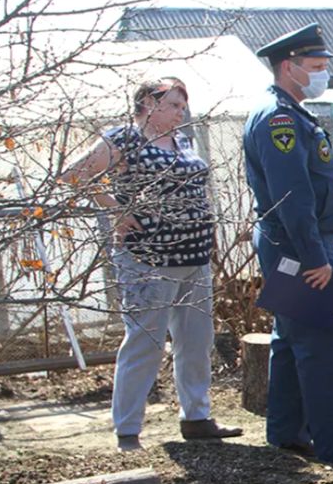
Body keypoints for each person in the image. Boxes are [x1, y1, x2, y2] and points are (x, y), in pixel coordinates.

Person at [60, 77, 242, 452]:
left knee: (195, 342)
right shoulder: (125, 138)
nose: (181, 111)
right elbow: (73, 175)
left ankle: (197, 417)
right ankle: (127, 429)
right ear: (147, 102)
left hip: (194, 257)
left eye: (182, 105)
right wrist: (118, 209)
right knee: (145, 342)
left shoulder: (183, 140)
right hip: (148, 259)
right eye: (174, 104)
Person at [242, 24, 333, 470]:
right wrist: (314, 257)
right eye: (317, 67)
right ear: (289, 67)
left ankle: (287, 432)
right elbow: (294, 196)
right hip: (295, 246)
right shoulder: (280, 119)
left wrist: (328, 247)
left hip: (299, 243)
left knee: (290, 339)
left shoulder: (287, 111)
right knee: (326, 349)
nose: (324, 74)